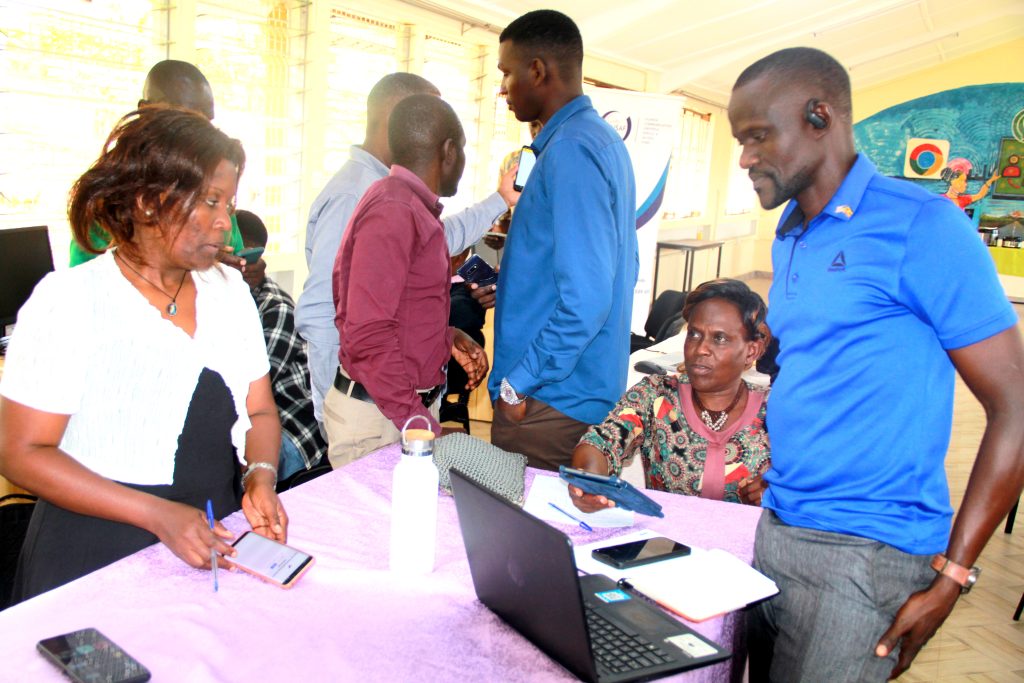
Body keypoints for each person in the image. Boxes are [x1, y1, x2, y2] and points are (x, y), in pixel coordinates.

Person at [728, 47, 1024, 681]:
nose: (745, 158)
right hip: (777, 524)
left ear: (819, 117)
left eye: (757, 136)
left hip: (864, 553)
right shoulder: (791, 233)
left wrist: (954, 574)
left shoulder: (922, 225)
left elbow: (1016, 407)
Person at [0, 107, 288, 602]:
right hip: (94, 551)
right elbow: (20, 453)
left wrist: (260, 475)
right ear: (149, 202)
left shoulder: (229, 292)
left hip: (207, 535)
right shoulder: (71, 300)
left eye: (230, 203)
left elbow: (259, 410)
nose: (225, 222)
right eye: (211, 201)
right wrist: (156, 514)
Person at [297, 73, 518, 430]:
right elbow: (332, 314)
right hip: (378, 407)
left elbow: (434, 246)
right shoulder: (364, 196)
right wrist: (331, 415)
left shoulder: (399, 194)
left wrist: (442, 335)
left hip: (395, 403)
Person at [488, 9, 639, 471]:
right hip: (569, 394)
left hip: (550, 402)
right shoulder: (595, 140)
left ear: (537, 71)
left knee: (519, 520)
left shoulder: (572, 149)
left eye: (507, 73)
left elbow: (587, 298)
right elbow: (614, 268)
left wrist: (518, 384)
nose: (503, 88)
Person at [327, 94, 488, 467]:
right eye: (463, 150)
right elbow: (368, 333)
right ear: (449, 151)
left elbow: (400, 308)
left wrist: (445, 336)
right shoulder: (395, 209)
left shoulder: (407, 205)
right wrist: (419, 423)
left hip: (396, 409)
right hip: (382, 418)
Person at [569, 279, 771, 509]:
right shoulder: (657, 395)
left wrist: (779, 493)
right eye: (694, 334)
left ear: (751, 351)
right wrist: (591, 483)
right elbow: (602, 441)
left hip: (748, 533)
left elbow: (804, 479)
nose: (700, 349)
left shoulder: (774, 411)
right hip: (667, 532)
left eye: (719, 338)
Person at [69, 60, 248, 269]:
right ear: (145, 110)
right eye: (185, 117)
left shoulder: (214, 181)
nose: (198, 131)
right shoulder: (111, 190)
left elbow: (234, 253)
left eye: (206, 120)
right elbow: (89, 277)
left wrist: (243, 269)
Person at [235, 209, 327, 482]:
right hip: (251, 419)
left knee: (228, 470)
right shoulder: (218, 298)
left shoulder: (275, 309)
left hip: (292, 426)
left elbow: (243, 395)